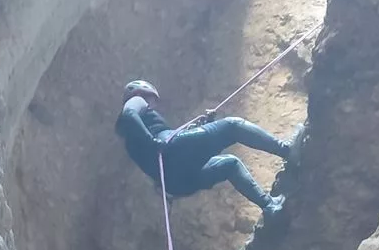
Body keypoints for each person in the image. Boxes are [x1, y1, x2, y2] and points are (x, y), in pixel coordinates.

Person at [115, 78, 294, 216]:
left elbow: (167, 143)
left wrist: (204, 125)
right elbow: (131, 114)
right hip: (174, 151)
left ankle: (269, 206)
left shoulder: (130, 140)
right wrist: (153, 142)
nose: (153, 105)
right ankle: (287, 149)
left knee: (230, 164)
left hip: (175, 183)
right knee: (233, 125)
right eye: (153, 100)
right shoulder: (136, 101)